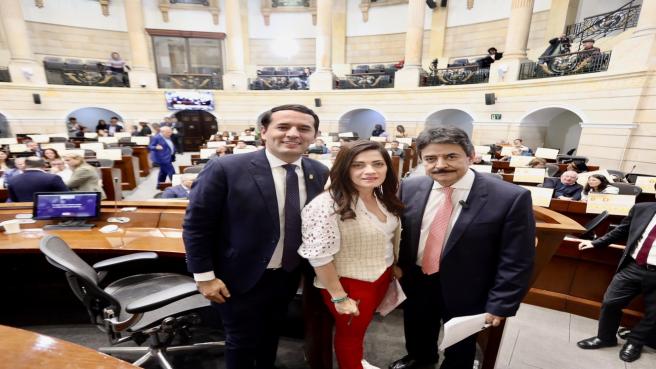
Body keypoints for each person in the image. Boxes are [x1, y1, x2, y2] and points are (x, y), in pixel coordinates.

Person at [182, 104, 331, 369]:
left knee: (271, 334)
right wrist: (204, 277)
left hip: (287, 275)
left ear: (314, 135)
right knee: (241, 341)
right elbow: (197, 226)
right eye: (283, 127)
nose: (293, 134)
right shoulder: (225, 168)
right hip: (236, 277)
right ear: (264, 131)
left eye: (304, 128)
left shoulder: (319, 173)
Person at [390, 127, 535, 369]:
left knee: (461, 345)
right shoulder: (411, 187)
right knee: (417, 326)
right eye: (430, 158)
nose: (440, 165)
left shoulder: (510, 197)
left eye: (451, 156)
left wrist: (501, 303)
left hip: (470, 287)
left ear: (471, 155)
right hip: (418, 279)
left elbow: (517, 258)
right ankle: (420, 358)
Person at [299, 140, 404, 369]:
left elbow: (386, 236)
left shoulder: (381, 196)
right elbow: (319, 256)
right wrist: (339, 297)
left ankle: (357, 361)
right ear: (344, 168)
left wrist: (392, 265)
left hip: (380, 276)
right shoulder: (326, 205)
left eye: (378, 164)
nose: (370, 171)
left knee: (362, 328)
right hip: (349, 284)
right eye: (358, 165)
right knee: (350, 337)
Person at [577, 187, 656, 362]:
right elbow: (621, 230)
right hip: (634, 266)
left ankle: (635, 341)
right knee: (611, 302)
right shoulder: (642, 208)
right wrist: (597, 243)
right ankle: (605, 337)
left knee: (654, 313)